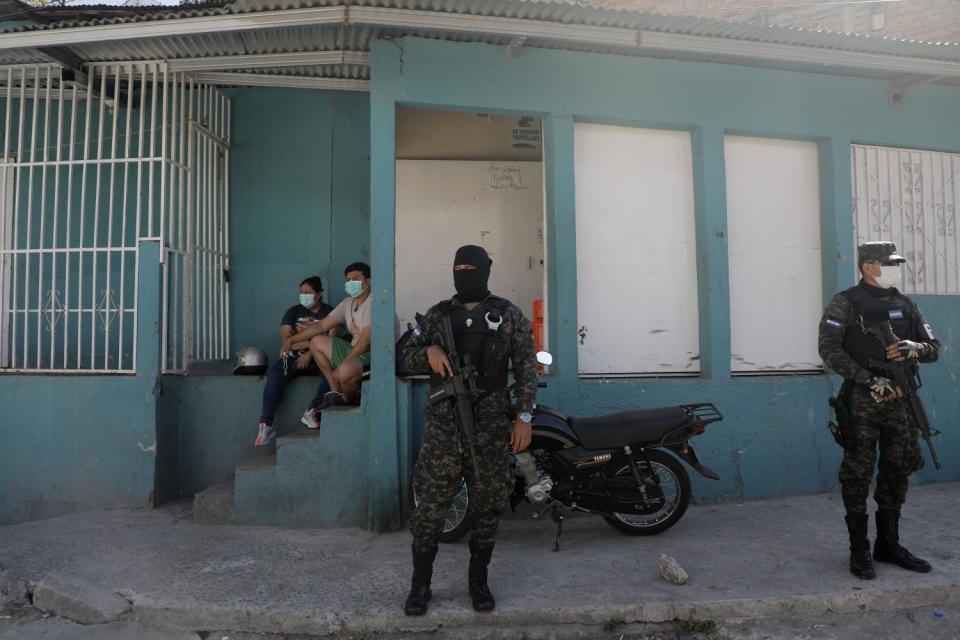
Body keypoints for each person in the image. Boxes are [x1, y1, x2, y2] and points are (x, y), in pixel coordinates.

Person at [401, 245, 538, 616]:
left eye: (470, 267)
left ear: (485, 271)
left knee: (486, 507)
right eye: (458, 267)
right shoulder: (437, 315)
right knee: (430, 509)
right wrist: (429, 348)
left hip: (491, 430)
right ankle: (420, 585)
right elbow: (402, 355)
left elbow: (527, 367)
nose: (463, 273)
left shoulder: (507, 314)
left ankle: (478, 584)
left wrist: (524, 417)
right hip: (443, 432)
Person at [818, 241, 940, 580]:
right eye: (889, 263)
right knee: (858, 472)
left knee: (897, 468)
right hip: (862, 400)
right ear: (868, 266)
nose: (895, 269)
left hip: (902, 398)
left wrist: (914, 348)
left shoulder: (906, 304)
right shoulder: (845, 302)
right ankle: (859, 550)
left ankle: (888, 544)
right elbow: (828, 349)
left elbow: (934, 349)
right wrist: (868, 379)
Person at [282, 262, 375, 418]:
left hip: (372, 354)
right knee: (317, 341)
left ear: (369, 281)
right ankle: (336, 391)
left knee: (345, 370)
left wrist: (344, 363)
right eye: (348, 279)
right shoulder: (348, 303)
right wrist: (291, 340)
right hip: (353, 350)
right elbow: (321, 325)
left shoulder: (374, 302)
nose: (351, 283)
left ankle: (349, 399)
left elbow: (365, 342)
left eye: (356, 279)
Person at [255, 276, 335, 447]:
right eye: (301, 293)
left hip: (319, 357)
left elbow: (330, 341)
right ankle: (266, 425)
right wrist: (313, 342)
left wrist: (311, 352)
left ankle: (313, 411)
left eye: (308, 292)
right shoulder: (293, 312)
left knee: (334, 373)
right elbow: (286, 340)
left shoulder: (329, 312)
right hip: (294, 357)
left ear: (319, 294)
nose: (303, 296)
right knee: (276, 372)